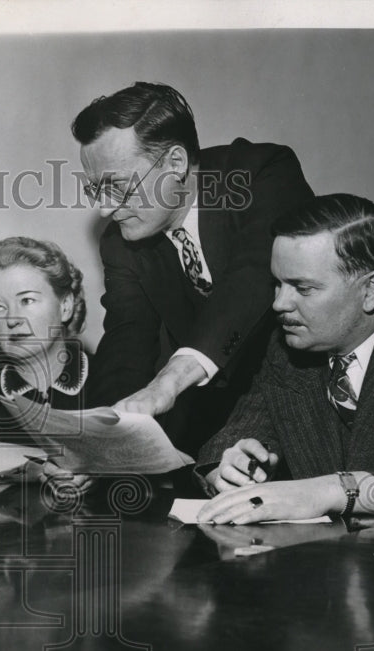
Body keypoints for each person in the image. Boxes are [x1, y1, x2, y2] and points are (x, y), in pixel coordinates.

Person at [72, 81, 314, 454]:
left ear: (175, 163)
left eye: (117, 186)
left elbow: (252, 278)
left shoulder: (258, 174)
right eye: (95, 190)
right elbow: (127, 340)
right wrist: (101, 440)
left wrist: (168, 382)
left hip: (300, 412)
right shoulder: (119, 241)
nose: (105, 209)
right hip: (205, 431)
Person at [195, 194, 374, 524]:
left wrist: (330, 491)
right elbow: (239, 436)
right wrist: (227, 466)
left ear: (371, 289)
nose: (279, 304)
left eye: (302, 288)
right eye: (277, 284)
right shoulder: (287, 345)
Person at [0, 237, 94, 495]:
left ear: (65, 306)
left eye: (26, 300)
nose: (12, 319)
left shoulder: (108, 377)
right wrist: (58, 464)